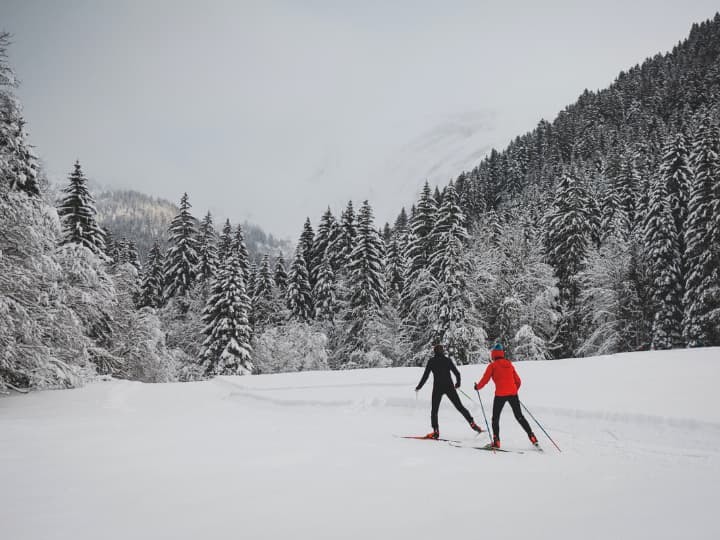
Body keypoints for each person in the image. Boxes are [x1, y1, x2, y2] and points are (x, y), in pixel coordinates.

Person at [474, 343, 538, 449]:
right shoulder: (509, 364)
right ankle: (532, 437)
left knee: (495, 418)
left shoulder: (492, 366)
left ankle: (496, 442)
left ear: (493, 355)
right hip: (513, 394)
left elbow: (485, 380)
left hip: (500, 395)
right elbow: (518, 381)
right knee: (519, 416)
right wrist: (513, 390)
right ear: (502, 354)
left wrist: (477, 387)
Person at [416, 342, 483, 439]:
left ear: (434, 352)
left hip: (438, 388)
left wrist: (419, 386)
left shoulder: (431, 361)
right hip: (449, 387)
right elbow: (457, 373)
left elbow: (425, 376)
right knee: (460, 407)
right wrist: (458, 383)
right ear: (442, 351)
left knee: (434, 411)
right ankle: (472, 423)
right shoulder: (447, 360)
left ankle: (436, 431)